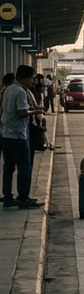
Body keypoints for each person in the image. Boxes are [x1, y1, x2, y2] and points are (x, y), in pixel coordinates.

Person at [1, 65, 44, 209]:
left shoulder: (9, 89)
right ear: (25, 78)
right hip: (18, 135)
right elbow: (21, 112)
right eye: (31, 78)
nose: (32, 81)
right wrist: (35, 111)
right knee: (24, 168)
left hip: (6, 134)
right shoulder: (20, 91)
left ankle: (7, 197)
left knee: (8, 168)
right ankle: (23, 198)